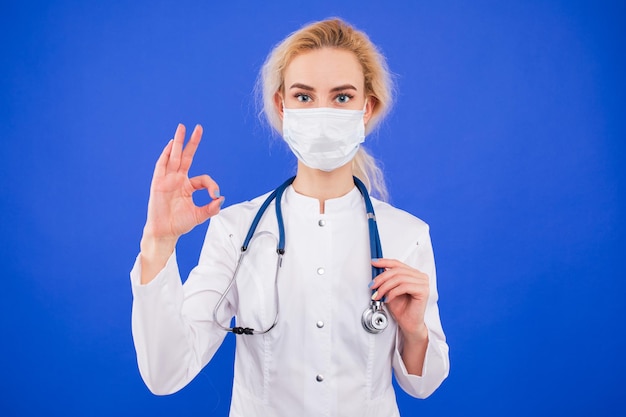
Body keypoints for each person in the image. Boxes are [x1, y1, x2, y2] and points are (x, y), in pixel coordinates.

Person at [131, 17, 449, 417]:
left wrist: (415, 330)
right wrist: (158, 243)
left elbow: (423, 385)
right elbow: (166, 374)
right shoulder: (235, 231)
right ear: (282, 106)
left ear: (367, 107)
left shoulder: (406, 235)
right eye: (303, 97)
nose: (322, 112)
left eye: (342, 97)